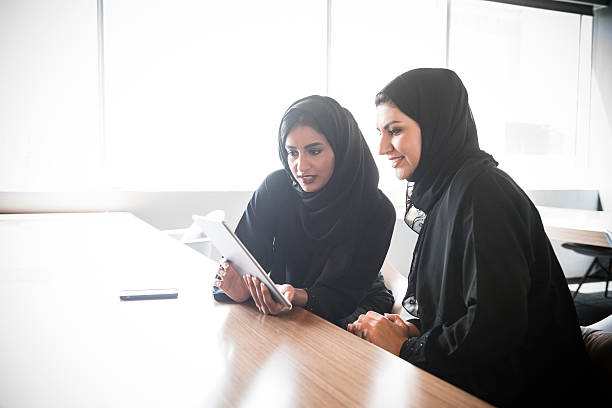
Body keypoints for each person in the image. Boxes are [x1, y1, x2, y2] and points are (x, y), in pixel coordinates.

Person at [347, 68, 596, 406]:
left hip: (527, 389)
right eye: (380, 132)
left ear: (436, 125)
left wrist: (407, 348)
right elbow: (461, 307)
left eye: (395, 130)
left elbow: (494, 327)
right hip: (481, 376)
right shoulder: (445, 191)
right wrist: (414, 330)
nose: (381, 147)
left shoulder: (482, 194)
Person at [213, 95, 395, 328]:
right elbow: (245, 260)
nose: (301, 166)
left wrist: (292, 295)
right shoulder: (276, 187)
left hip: (354, 308)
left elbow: (342, 298)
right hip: (285, 302)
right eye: (292, 152)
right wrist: (238, 288)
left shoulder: (376, 209)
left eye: (314, 151)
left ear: (342, 150)